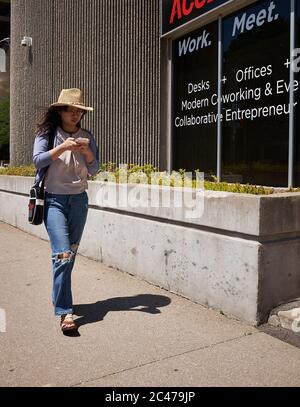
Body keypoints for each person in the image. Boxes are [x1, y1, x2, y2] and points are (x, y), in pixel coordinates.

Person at [33, 88, 100, 333]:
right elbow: (37, 160)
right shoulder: (47, 134)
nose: (75, 115)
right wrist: (62, 148)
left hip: (79, 202)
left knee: (69, 255)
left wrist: (88, 153)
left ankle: (58, 295)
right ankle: (65, 311)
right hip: (54, 202)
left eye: (79, 111)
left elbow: (94, 170)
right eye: (70, 110)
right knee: (62, 254)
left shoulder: (88, 136)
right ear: (60, 111)